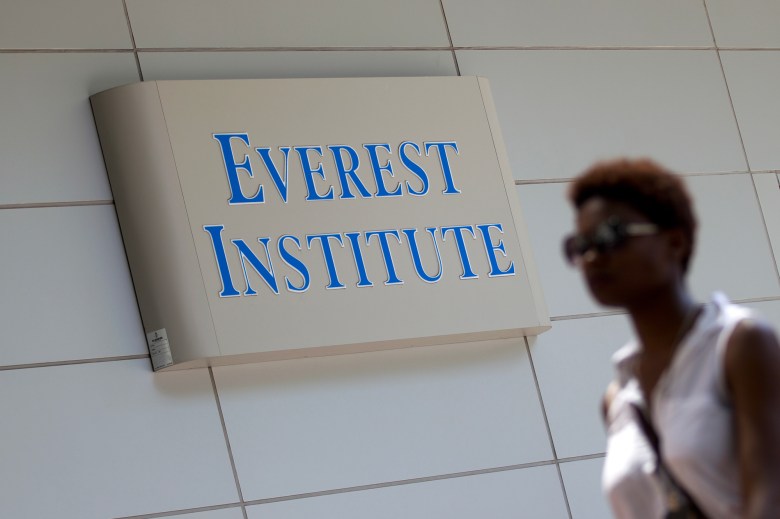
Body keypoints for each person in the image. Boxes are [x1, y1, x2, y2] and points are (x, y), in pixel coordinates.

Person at [563, 158, 780, 518]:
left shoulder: (739, 344)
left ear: (674, 242)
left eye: (610, 236)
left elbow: (770, 498)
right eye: (579, 245)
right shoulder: (619, 396)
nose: (592, 257)